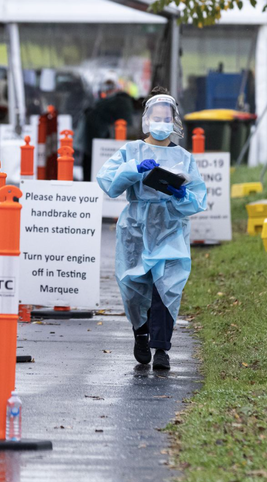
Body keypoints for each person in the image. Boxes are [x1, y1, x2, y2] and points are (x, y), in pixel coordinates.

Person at [95, 87, 207, 370]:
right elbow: (108, 182)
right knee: (134, 287)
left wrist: (182, 196)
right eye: (156, 117)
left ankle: (161, 349)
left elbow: (198, 196)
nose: (160, 123)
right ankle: (141, 335)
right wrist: (134, 169)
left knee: (166, 287)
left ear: (174, 120)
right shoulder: (131, 150)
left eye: (165, 118)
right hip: (136, 227)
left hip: (169, 227)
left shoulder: (184, 157)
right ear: (147, 119)